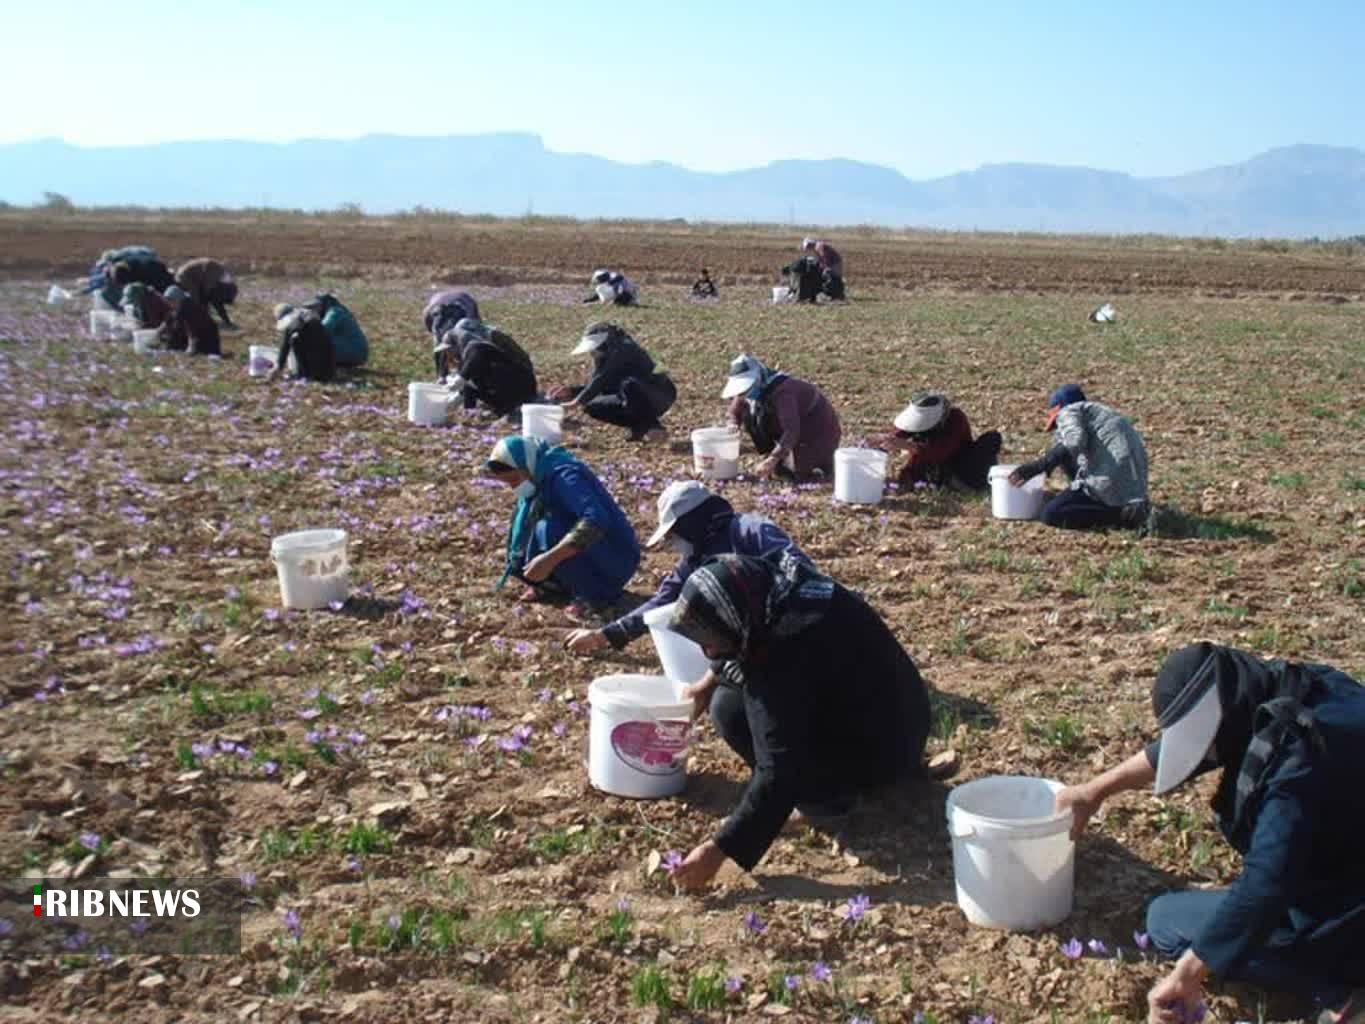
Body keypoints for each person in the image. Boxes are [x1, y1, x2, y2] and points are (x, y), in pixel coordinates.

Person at [1056, 644, 1365, 1024]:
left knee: (1165, 921)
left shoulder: (1293, 770)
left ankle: (1341, 991)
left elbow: (1265, 887)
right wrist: (1095, 789)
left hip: (1350, 921)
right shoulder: (1301, 687)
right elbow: (1192, 747)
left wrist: (1186, 976)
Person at [666, 553, 931, 887]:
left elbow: (778, 770)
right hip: (897, 718)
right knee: (728, 694)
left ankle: (825, 798)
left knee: (729, 712)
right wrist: (705, 684)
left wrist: (718, 851)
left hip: (881, 751)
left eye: (712, 642)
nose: (709, 653)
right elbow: (742, 632)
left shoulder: (784, 651)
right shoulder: (789, 592)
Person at [565, 481, 808, 656]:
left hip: (791, 633)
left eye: (673, 534)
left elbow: (801, 575)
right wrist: (605, 635)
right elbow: (662, 602)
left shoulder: (750, 532)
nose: (672, 543)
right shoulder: (695, 557)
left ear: (692, 522)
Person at [485, 435, 641, 616]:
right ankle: (555, 586)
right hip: (589, 550)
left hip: (615, 555)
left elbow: (596, 520)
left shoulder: (565, 476)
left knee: (548, 529)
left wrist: (549, 559)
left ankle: (595, 594)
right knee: (530, 522)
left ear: (525, 465)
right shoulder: (539, 476)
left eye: (515, 480)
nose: (513, 487)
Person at [1008, 384, 1150, 530]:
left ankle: (1123, 516)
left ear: (1059, 409)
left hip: (1108, 484)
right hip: (1135, 489)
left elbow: (1075, 441)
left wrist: (1040, 465)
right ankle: (1132, 508)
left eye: (1056, 423)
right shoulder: (1103, 414)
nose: (1058, 427)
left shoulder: (1069, 411)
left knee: (1051, 514)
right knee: (1062, 451)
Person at [723, 354, 841, 480]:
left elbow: (791, 430)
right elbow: (734, 411)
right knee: (752, 415)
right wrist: (733, 423)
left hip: (816, 433)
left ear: (758, 378)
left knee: (797, 475)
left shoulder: (783, 393)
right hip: (794, 430)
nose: (743, 394)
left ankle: (813, 462)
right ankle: (774, 454)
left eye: (746, 389)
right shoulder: (748, 392)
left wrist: (774, 458)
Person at [556, 322, 675, 442]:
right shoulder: (606, 357)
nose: (594, 352)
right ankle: (640, 427)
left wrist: (575, 402)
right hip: (636, 395)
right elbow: (602, 385)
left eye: (597, 347)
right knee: (592, 405)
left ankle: (654, 427)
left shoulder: (625, 349)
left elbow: (601, 379)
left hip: (660, 394)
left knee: (630, 386)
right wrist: (572, 391)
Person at [882, 392, 1002, 491]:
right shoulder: (922, 427)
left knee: (991, 439)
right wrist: (884, 441)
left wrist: (909, 446)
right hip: (935, 471)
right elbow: (903, 432)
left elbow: (939, 451)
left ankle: (966, 485)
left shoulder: (956, 419)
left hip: (961, 468)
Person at [435, 318, 538, 418]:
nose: (450, 355)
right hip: (508, 388)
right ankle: (498, 408)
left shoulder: (479, 347)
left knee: (473, 373)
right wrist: (464, 404)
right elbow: (469, 383)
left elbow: (477, 355)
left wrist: (462, 378)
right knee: (471, 381)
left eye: (450, 350)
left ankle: (509, 407)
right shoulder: (470, 355)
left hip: (521, 386)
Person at [269, 304, 335, 382]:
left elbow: (320, 350)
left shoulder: (310, 324)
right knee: (294, 340)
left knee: (295, 340)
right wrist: (279, 366)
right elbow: (285, 346)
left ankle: (307, 375)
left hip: (323, 367)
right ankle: (305, 374)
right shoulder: (293, 325)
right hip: (320, 365)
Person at [306, 293, 369, 368]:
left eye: (316, 307)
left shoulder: (334, 312)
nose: (315, 310)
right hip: (355, 351)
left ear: (325, 304)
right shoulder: (337, 311)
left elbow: (322, 331)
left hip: (355, 351)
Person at [174, 258, 237, 327]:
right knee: (197, 300)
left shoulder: (219, 273)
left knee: (206, 299)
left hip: (188, 275)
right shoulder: (216, 272)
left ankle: (202, 319)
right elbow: (208, 290)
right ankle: (193, 320)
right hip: (185, 277)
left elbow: (208, 290)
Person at [159, 286, 221, 356]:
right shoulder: (178, 306)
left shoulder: (189, 308)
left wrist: (190, 349)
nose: (169, 304)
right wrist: (156, 333)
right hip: (193, 338)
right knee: (174, 330)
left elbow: (192, 330)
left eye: (170, 301)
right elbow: (168, 320)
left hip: (206, 340)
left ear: (177, 299)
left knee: (177, 329)